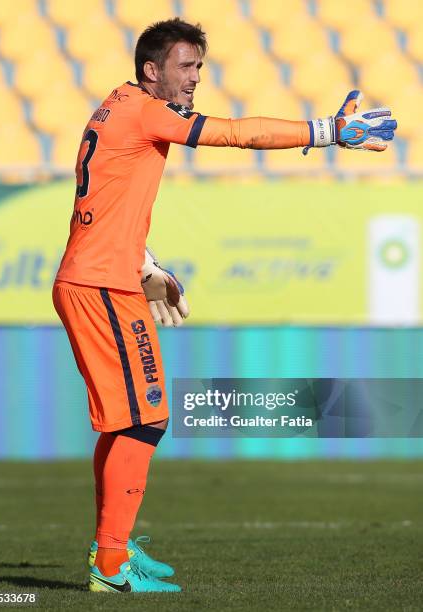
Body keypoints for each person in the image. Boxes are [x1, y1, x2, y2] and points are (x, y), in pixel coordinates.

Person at [52, 17, 396, 594]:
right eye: (185, 67)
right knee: (145, 419)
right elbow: (238, 133)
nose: (194, 79)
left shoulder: (119, 106)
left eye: (199, 68)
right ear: (151, 70)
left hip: (106, 277)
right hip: (100, 287)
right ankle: (109, 567)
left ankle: (111, 549)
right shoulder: (146, 110)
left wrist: (146, 263)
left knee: (130, 421)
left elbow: (108, 195)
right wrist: (327, 131)